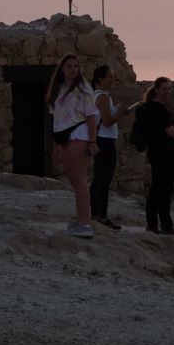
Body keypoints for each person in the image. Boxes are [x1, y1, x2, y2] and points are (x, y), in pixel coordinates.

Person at [45, 53, 100, 238]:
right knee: (75, 181)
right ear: (62, 69)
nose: (72, 69)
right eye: (69, 66)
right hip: (64, 138)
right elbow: (57, 119)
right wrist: (57, 146)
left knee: (79, 181)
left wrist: (92, 141)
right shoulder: (58, 90)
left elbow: (92, 117)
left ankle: (85, 223)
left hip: (78, 136)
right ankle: (82, 219)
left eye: (75, 66)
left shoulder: (84, 89)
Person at [131, 77, 174, 234]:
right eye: (164, 89)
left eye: (169, 89)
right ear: (156, 89)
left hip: (154, 152)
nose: (167, 92)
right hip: (165, 153)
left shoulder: (145, 108)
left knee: (156, 187)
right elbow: (169, 130)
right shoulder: (159, 110)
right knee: (164, 188)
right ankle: (166, 225)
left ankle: (152, 224)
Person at [89, 65, 123, 231]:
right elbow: (108, 121)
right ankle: (102, 216)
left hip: (99, 138)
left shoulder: (94, 96)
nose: (112, 80)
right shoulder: (103, 97)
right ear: (100, 78)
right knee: (104, 179)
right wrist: (120, 113)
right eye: (109, 77)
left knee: (98, 178)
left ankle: (94, 213)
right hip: (106, 140)